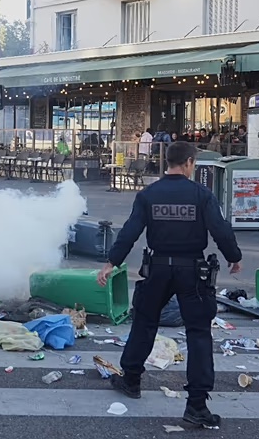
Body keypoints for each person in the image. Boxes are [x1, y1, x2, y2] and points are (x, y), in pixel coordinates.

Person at [96, 141, 242, 429]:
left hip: (157, 269)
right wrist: (234, 258)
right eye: (194, 163)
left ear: (168, 162)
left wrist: (111, 262)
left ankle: (132, 380)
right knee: (199, 333)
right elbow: (220, 229)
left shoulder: (149, 194)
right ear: (188, 163)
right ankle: (197, 405)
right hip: (193, 272)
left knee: (144, 322)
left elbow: (131, 231)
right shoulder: (201, 195)